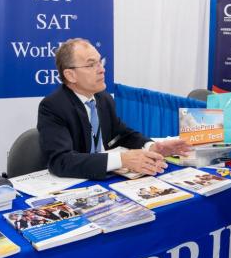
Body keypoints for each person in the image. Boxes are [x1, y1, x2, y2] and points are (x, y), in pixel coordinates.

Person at [37, 38, 191, 179]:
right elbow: (61, 161)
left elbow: (122, 134)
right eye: (91, 65)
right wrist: (121, 159)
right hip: (75, 182)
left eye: (100, 62)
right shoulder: (53, 106)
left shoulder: (103, 98)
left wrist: (152, 147)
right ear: (70, 75)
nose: (102, 69)